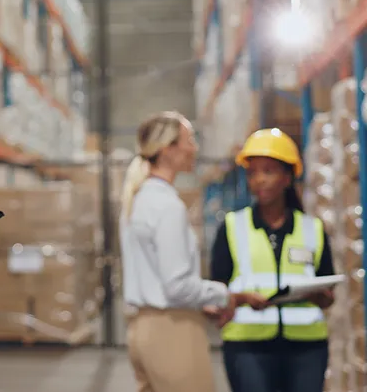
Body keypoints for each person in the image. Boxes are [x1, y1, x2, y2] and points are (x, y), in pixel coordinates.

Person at [119, 111, 266, 392]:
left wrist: (201, 301)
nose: (194, 148)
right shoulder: (167, 206)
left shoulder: (138, 199)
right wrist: (229, 296)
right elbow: (176, 286)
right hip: (172, 333)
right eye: (189, 140)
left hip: (141, 331)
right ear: (167, 151)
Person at [209, 128, 335, 392]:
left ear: (288, 177)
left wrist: (320, 297)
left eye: (268, 171)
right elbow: (216, 288)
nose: (259, 180)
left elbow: (328, 290)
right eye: (252, 173)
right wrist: (243, 298)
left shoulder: (312, 229)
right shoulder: (233, 227)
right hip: (248, 346)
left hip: (307, 347)